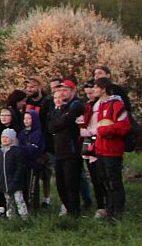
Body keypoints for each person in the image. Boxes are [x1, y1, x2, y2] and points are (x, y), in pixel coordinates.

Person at [84, 78, 130, 221]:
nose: (93, 90)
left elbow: (124, 126)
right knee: (104, 181)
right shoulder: (100, 105)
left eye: (96, 87)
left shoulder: (116, 104)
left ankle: (118, 212)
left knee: (114, 181)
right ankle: (110, 209)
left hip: (113, 149)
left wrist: (104, 130)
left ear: (103, 89)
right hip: (101, 149)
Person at [47, 81, 86, 218]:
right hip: (59, 151)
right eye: (60, 92)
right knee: (60, 183)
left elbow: (65, 121)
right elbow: (51, 127)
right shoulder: (56, 110)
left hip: (71, 150)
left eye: (65, 90)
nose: (62, 94)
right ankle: (68, 208)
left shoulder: (76, 105)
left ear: (73, 90)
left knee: (71, 182)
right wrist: (59, 121)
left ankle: (74, 212)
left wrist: (59, 122)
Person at [0, 128, 29, 219]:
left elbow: (20, 168)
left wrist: (15, 180)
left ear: (12, 139)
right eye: (2, 137)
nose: (4, 139)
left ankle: (24, 217)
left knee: (19, 200)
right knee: (8, 201)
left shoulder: (17, 151)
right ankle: (11, 217)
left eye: (7, 137)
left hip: (15, 183)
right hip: (4, 183)